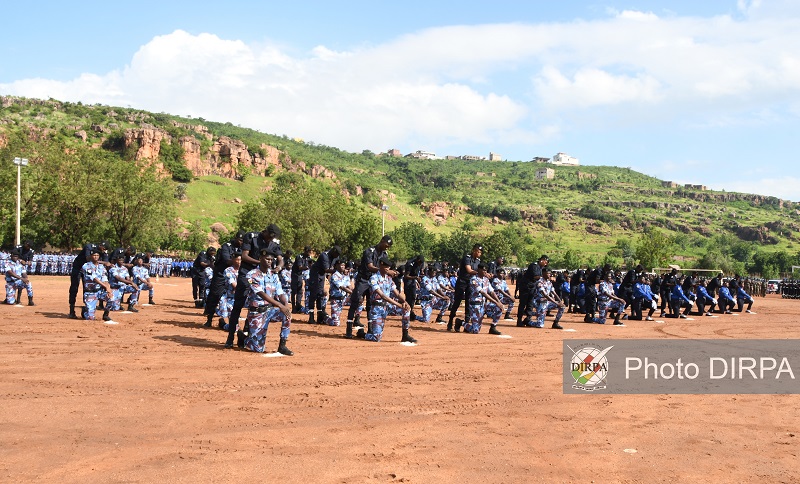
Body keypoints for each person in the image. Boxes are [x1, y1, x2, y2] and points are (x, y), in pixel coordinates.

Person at [225, 224, 283, 349]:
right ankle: (230, 337)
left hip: (263, 276)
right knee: (238, 305)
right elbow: (244, 255)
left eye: (273, 238)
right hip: (247, 274)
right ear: (266, 231)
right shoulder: (251, 237)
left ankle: (246, 334)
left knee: (256, 304)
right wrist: (261, 263)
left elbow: (279, 258)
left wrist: (278, 266)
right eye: (270, 237)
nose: (270, 240)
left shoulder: (273, 243)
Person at [242, 249, 293, 355]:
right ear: (260, 259)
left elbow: (280, 292)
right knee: (258, 349)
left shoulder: (273, 274)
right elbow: (260, 293)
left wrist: (286, 305)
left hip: (270, 311)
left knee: (287, 315)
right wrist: (279, 304)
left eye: (271, 259)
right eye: (267, 259)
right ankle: (243, 338)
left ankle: (282, 346)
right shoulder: (251, 275)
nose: (269, 261)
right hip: (257, 312)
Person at [357, 255, 416, 343]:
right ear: (380, 266)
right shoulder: (374, 278)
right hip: (377, 309)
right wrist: (398, 304)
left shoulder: (389, 279)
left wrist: (405, 302)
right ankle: (362, 334)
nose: (388, 269)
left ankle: (405, 335)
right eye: (386, 266)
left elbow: (396, 293)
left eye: (388, 267)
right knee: (376, 338)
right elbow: (382, 296)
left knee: (406, 310)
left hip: (388, 306)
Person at [345, 235, 393, 339]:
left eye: (389, 246)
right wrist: (387, 271)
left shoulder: (384, 254)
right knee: (355, 302)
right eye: (386, 245)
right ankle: (348, 330)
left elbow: (384, 267)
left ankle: (370, 330)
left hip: (373, 281)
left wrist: (388, 272)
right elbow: (370, 266)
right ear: (382, 241)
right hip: (363, 280)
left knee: (371, 305)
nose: (387, 247)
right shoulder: (369, 251)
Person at [204, 231, 244, 327]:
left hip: (234, 272)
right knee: (215, 295)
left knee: (237, 295)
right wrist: (238, 261)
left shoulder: (243, 248)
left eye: (242, 241)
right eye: (239, 240)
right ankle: (209, 318)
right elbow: (227, 260)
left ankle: (233, 315)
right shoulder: (227, 246)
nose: (241, 242)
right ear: (235, 238)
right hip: (221, 273)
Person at [458, 262, 504, 335]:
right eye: (483, 270)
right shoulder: (474, 280)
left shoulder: (486, 280)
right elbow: (483, 293)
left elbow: (492, 292)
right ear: (479, 270)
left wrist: (499, 302)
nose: (485, 272)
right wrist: (496, 302)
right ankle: (461, 322)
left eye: (486, 270)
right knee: (475, 331)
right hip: (475, 306)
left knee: (499, 308)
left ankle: (493, 327)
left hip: (484, 305)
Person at [69, 241, 109, 319]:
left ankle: (86, 308)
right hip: (79, 268)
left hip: (90, 271)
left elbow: (106, 261)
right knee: (74, 288)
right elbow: (88, 259)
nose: (104, 251)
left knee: (87, 288)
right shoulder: (89, 247)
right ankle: (71, 310)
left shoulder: (102, 252)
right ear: (100, 245)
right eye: (103, 249)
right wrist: (104, 262)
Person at [448, 244, 482, 332]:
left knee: (469, 303)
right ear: (474, 250)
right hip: (462, 282)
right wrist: (480, 273)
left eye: (480, 252)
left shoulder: (478, 261)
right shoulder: (467, 258)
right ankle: (450, 321)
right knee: (457, 302)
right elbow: (469, 270)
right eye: (478, 251)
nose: (479, 253)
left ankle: (466, 324)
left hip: (470, 283)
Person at [308, 246, 341, 324]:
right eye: (337, 254)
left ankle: (320, 317)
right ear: (333, 251)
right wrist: (337, 271)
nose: (337, 256)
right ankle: (311, 317)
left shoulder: (335, 256)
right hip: (315, 274)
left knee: (320, 295)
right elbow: (327, 269)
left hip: (322, 275)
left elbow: (336, 265)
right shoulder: (324, 255)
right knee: (313, 295)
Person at [517, 255, 549, 327]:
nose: (546, 263)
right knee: (523, 303)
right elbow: (535, 276)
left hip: (532, 287)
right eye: (545, 262)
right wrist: (542, 278)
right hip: (525, 286)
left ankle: (528, 319)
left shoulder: (540, 268)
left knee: (530, 304)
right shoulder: (534, 266)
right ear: (542, 260)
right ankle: (519, 320)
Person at [81, 248, 112, 321]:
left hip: (99, 291)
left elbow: (105, 279)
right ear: (91, 256)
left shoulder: (101, 267)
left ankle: (106, 315)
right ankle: (85, 310)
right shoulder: (86, 266)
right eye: (94, 255)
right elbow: (94, 278)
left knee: (112, 298)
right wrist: (105, 286)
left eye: (97, 255)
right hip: (90, 292)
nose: (96, 257)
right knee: (90, 318)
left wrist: (109, 289)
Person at [217, 253, 241, 330]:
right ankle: (223, 325)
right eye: (237, 259)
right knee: (234, 327)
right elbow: (234, 285)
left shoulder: (244, 270)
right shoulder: (228, 271)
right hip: (229, 298)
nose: (239, 262)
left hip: (240, 297)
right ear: (233, 260)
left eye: (240, 260)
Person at [325, 260, 352, 326]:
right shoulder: (335, 276)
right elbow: (342, 287)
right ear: (336, 266)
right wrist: (352, 292)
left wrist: (355, 293)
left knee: (359, 300)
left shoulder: (345, 276)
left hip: (344, 299)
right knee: (336, 323)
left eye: (344, 265)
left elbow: (349, 286)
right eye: (341, 265)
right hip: (336, 300)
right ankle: (324, 317)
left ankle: (356, 319)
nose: (343, 267)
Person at [291, 246, 313, 313]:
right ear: (306, 251)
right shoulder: (299, 257)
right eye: (309, 252)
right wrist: (308, 267)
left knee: (300, 292)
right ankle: (293, 307)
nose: (310, 253)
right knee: (294, 291)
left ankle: (298, 306)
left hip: (301, 275)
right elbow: (300, 267)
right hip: (295, 275)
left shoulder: (308, 258)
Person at [403, 255, 424, 321]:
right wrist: (415, 278)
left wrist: (420, 275)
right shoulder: (410, 264)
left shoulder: (420, 263)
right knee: (409, 298)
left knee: (413, 297)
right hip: (408, 281)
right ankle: (407, 313)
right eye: (419, 263)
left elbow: (420, 271)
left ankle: (410, 312)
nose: (420, 264)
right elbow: (406, 276)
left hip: (413, 280)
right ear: (417, 260)